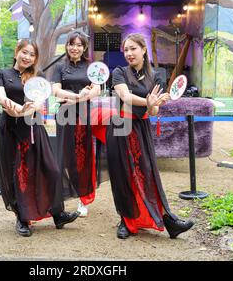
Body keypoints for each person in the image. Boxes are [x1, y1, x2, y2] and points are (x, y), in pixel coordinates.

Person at [105, 33, 194, 239]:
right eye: (126, 50)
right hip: (120, 126)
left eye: (133, 49)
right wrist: (149, 101)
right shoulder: (118, 72)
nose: (129, 53)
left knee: (147, 172)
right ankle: (126, 221)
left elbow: (153, 112)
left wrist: (154, 105)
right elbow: (125, 97)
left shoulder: (157, 76)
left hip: (140, 127)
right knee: (124, 175)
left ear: (143, 49)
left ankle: (167, 219)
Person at [0, 39, 79, 237]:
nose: (27, 57)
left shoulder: (37, 78)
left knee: (51, 169)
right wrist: (15, 108)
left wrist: (33, 108)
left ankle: (58, 213)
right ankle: (22, 218)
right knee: (19, 174)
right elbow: (0, 97)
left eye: (32, 55)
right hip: (12, 131)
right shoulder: (2, 74)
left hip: (34, 129)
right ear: (17, 52)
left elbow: (41, 104)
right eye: (25, 52)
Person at [51, 30, 101, 217]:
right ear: (67, 46)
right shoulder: (59, 67)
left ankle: (83, 198)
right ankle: (61, 196)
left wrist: (78, 101)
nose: (75, 48)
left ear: (84, 47)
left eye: (79, 45)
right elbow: (55, 90)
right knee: (64, 156)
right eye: (72, 44)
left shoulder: (91, 67)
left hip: (83, 115)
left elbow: (96, 90)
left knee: (82, 156)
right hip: (64, 114)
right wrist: (75, 97)